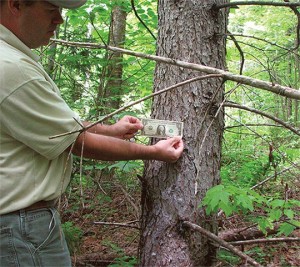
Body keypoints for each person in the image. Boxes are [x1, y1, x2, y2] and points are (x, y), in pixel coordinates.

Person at [0, 0, 184, 266]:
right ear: (15, 5)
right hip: (20, 228)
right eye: (52, 10)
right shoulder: (12, 67)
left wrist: (111, 130)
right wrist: (154, 152)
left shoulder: (12, 58)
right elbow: (77, 142)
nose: (59, 20)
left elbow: (61, 123)